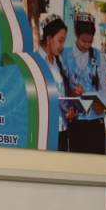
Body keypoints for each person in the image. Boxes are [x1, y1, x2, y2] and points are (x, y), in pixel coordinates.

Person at [61, 12, 106, 154]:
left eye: (90, 41)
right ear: (76, 34)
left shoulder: (98, 55)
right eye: (83, 41)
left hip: (96, 122)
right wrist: (72, 93)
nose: (87, 45)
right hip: (76, 122)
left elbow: (103, 86)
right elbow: (61, 87)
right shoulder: (64, 55)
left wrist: (102, 104)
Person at [36, 13, 74, 151]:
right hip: (45, 132)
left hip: (62, 129)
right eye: (60, 40)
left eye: (64, 41)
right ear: (48, 39)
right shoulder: (36, 62)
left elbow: (63, 95)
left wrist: (71, 108)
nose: (62, 46)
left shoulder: (59, 62)